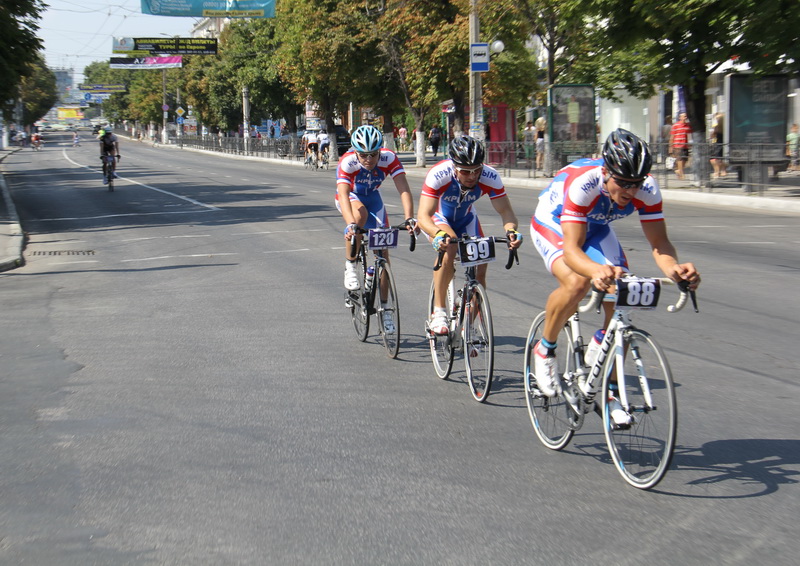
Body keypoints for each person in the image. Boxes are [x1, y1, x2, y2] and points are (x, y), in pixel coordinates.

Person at [529, 129, 701, 422]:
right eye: (622, 182)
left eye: (636, 183)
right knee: (577, 282)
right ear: (606, 172)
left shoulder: (648, 189)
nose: (630, 191)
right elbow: (572, 250)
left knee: (623, 293)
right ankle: (545, 349)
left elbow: (660, 244)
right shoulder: (585, 184)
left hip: (597, 228)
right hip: (554, 223)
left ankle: (606, 387)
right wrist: (595, 270)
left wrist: (674, 269)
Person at [417, 135, 523, 336]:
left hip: (466, 219)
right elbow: (423, 216)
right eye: (465, 171)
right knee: (450, 246)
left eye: (476, 170)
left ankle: (468, 329)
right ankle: (439, 311)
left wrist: (511, 231)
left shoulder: (490, 176)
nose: (472, 176)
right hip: (439, 218)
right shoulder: (439, 174)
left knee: (481, 266)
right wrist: (437, 234)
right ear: (454, 167)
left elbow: (506, 212)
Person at [337, 125, 416, 331]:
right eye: (363, 155)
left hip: (373, 198)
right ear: (355, 152)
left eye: (373, 154)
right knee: (359, 216)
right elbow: (343, 194)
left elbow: (404, 189)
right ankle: (350, 265)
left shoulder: (389, 158)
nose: (369, 159)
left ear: (380, 150)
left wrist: (409, 218)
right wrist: (351, 224)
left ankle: (385, 308)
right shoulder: (348, 161)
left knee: (383, 254)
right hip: (351, 197)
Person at [669, 112, 692, 180]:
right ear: (680, 117)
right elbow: (672, 137)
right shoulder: (675, 125)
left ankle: (677, 170)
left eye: (686, 116)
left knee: (685, 159)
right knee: (680, 159)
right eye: (684, 116)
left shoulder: (688, 126)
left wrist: (690, 143)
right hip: (677, 145)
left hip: (685, 145)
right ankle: (681, 173)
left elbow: (689, 135)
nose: (685, 118)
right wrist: (670, 147)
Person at [709, 113, 727, 178]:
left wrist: (712, 134)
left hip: (718, 143)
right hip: (724, 143)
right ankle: (723, 171)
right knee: (721, 158)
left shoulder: (717, 127)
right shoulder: (726, 127)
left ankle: (717, 172)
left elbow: (712, 135)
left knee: (715, 158)